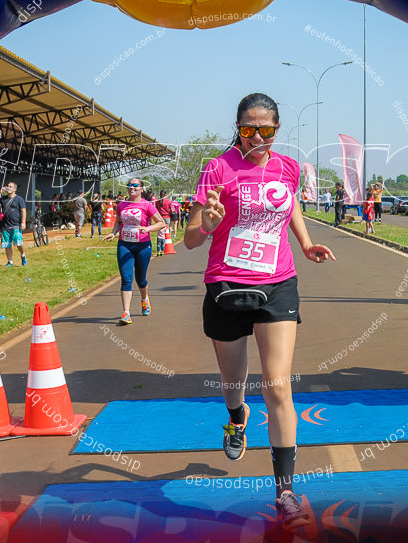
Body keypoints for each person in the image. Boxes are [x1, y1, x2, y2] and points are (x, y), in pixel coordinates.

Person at [184, 92, 336, 531]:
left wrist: (305, 244)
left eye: (265, 130)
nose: (256, 137)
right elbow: (192, 237)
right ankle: (236, 418)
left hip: (277, 284)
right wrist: (207, 223)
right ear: (237, 128)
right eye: (248, 129)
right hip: (226, 284)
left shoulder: (287, 167)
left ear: (276, 129)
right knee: (235, 384)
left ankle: (285, 492)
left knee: (277, 386)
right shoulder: (217, 168)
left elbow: (290, 206)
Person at [103, 178, 165, 325]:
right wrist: (113, 233)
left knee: (141, 279)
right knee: (126, 278)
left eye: (135, 186)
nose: (132, 188)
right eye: (129, 185)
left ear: (141, 189)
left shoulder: (147, 205)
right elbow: (118, 221)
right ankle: (126, 313)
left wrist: (148, 228)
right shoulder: (122, 205)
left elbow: (161, 223)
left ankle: (144, 299)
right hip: (125, 245)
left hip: (143, 246)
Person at [0, 182, 27, 267]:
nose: (8, 188)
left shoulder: (19, 199)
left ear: (15, 189)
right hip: (5, 225)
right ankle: (10, 261)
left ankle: (22, 255)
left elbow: (23, 210)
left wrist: (23, 222)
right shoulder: (3, 199)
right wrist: (0, 192)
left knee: (18, 243)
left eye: (10, 187)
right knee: (7, 244)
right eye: (7, 186)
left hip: (15, 225)